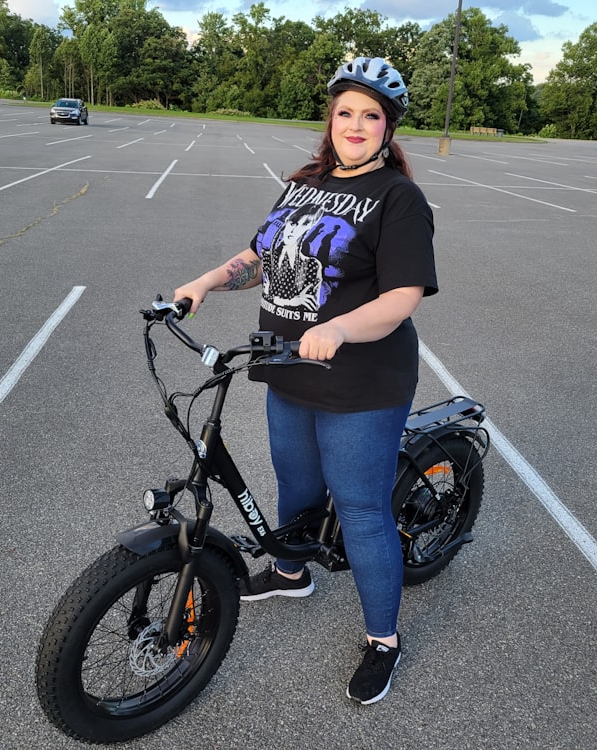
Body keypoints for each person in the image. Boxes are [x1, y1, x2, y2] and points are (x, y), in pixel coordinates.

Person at [173, 56, 437, 706]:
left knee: (361, 510)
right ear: (331, 118)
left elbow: (403, 296)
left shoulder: (399, 199)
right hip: (288, 363)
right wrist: (206, 282)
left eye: (370, 115)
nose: (355, 124)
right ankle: (291, 572)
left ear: (387, 126)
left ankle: (384, 641)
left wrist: (343, 329)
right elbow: (263, 257)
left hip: (360, 380)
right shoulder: (303, 184)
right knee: (295, 480)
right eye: (345, 112)